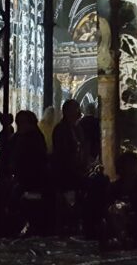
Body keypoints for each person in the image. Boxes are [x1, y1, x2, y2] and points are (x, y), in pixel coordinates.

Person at [101, 151, 137, 249]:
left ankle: (130, 241)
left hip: (136, 222)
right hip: (118, 221)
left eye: (133, 165)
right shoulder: (114, 187)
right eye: (128, 165)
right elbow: (107, 207)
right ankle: (122, 239)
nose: (132, 168)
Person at [10, 110, 49, 235]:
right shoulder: (19, 138)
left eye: (23, 123)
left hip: (32, 179)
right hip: (23, 178)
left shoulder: (34, 139)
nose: (20, 126)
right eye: (19, 123)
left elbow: (36, 161)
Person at [52, 99, 87, 232]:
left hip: (76, 170)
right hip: (66, 172)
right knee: (67, 199)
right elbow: (62, 153)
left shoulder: (77, 128)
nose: (78, 113)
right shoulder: (61, 129)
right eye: (75, 110)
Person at [77, 101, 101, 165]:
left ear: (86, 110)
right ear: (94, 111)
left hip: (84, 150)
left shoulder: (81, 122)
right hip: (95, 149)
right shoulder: (97, 122)